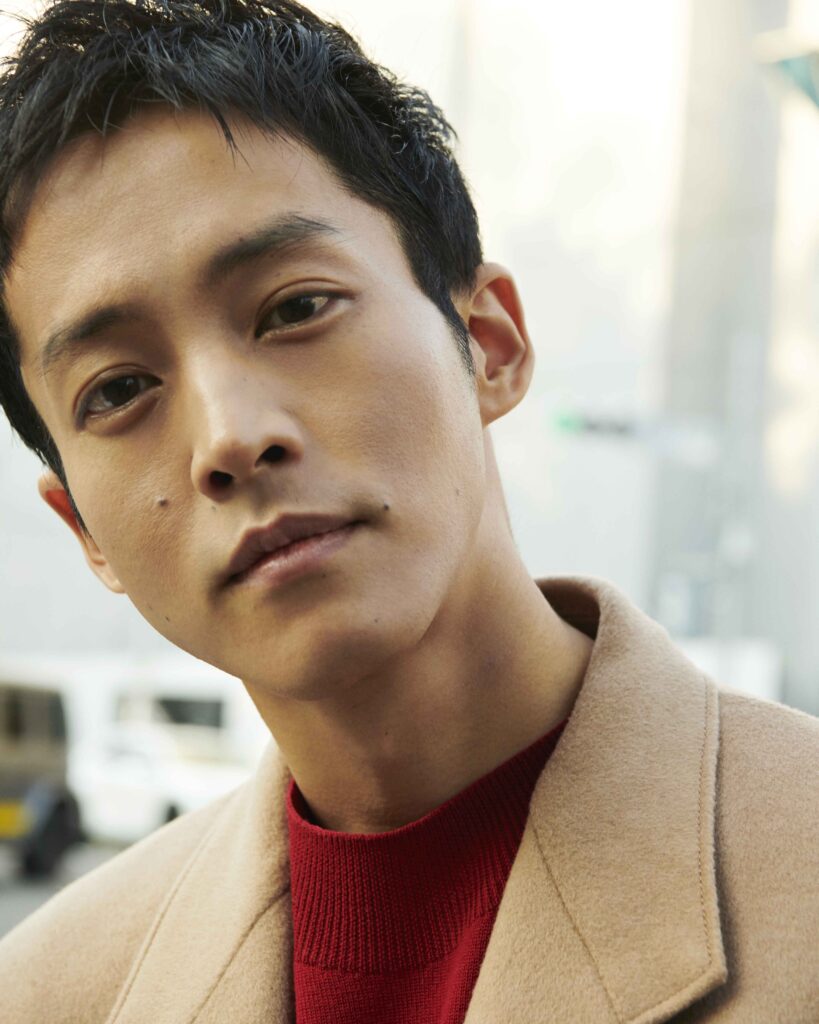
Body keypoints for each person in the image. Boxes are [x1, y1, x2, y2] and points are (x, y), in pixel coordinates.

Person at [0, 2, 816, 1021]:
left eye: (295, 308)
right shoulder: (48, 992)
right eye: (119, 389)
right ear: (84, 531)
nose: (231, 438)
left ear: (488, 343)